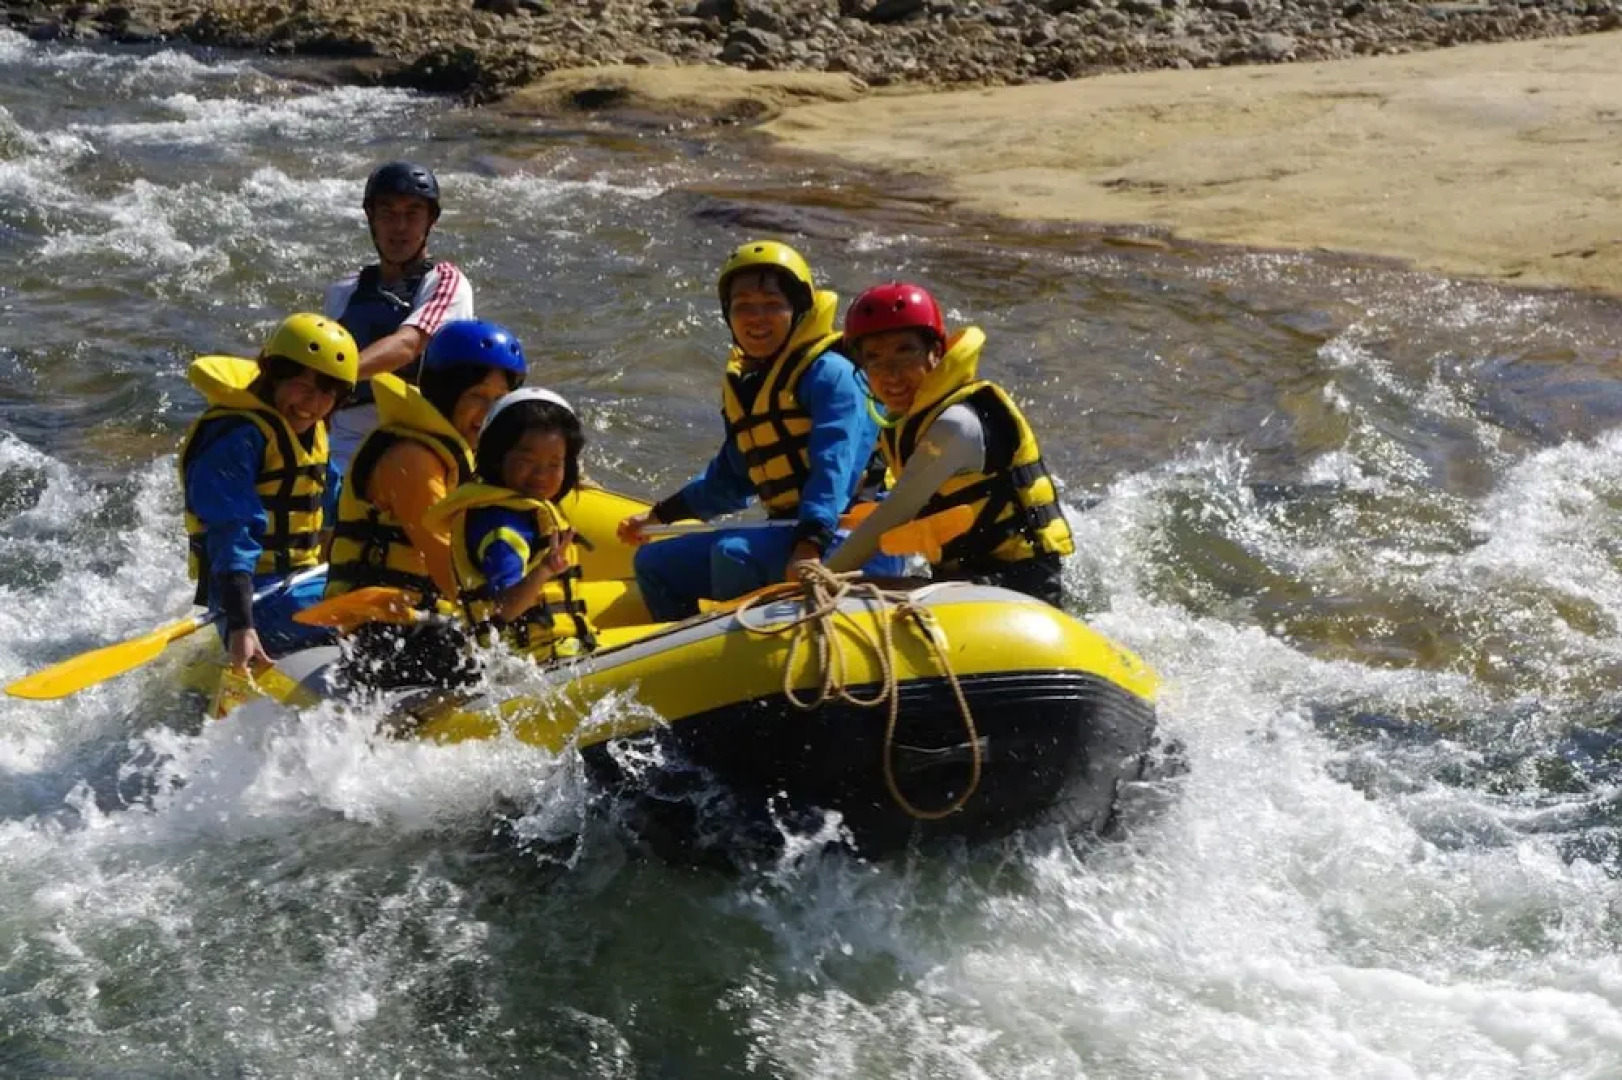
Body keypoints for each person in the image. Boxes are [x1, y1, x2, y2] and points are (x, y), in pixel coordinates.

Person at [616, 240, 891, 620]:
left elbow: (835, 471)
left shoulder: (832, 375)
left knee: (734, 555)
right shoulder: (752, 386)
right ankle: (688, 661)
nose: (756, 318)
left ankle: (754, 657)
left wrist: (809, 546)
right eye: (743, 306)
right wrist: (658, 517)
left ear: (798, 310)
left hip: (856, 538)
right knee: (655, 563)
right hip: (791, 532)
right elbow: (728, 481)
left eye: (772, 305)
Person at [824, 282, 1075, 605]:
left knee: (856, 591)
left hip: (1021, 584)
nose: (891, 373)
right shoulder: (905, 423)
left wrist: (826, 575)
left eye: (905, 351)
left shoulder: (955, 425)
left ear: (936, 353)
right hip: (964, 579)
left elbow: (894, 513)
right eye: (874, 358)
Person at [325, 319, 528, 688]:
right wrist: (515, 610)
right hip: (381, 638)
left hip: (422, 621)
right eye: (477, 397)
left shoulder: (463, 450)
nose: (488, 414)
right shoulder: (412, 458)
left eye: (499, 401)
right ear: (447, 394)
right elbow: (447, 563)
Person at [178, 313, 357, 669]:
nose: (312, 403)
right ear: (274, 375)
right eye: (303, 386)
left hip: (299, 582)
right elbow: (233, 534)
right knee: (374, 616)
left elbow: (335, 505)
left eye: (327, 392)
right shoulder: (237, 440)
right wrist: (242, 628)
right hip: (254, 598)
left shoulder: (311, 434)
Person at [424, 388, 597, 664]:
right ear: (497, 457)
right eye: (528, 461)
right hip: (528, 666)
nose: (541, 475)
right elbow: (504, 608)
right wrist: (545, 570)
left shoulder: (526, 511)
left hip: (555, 654)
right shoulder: (501, 527)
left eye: (554, 464)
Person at [324, 161, 475, 471]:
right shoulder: (344, 291)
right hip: (343, 442)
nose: (400, 227)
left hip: (417, 439)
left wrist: (329, 376)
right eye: (388, 214)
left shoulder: (445, 281)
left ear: (430, 221)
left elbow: (409, 345)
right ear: (372, 218)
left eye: (412, 214)